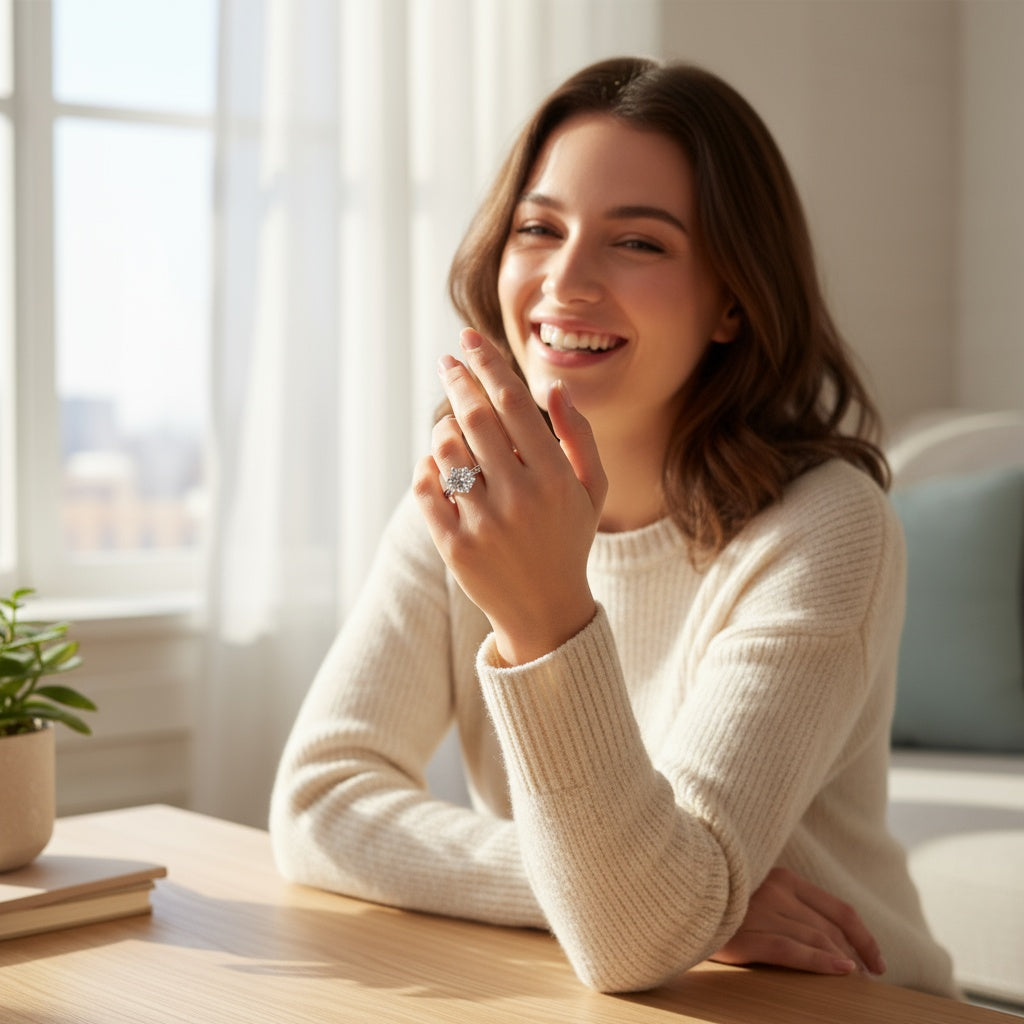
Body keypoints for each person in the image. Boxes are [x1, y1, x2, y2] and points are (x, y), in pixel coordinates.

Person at [270, 57, 955, 996]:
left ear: (734, 301)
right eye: (538, 229)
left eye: (639, 243)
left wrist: (544, 610)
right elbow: (317, 803)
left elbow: (637, 940)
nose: (565, 279)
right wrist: (668, 893)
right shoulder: (465, 496)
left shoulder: (825, 526)